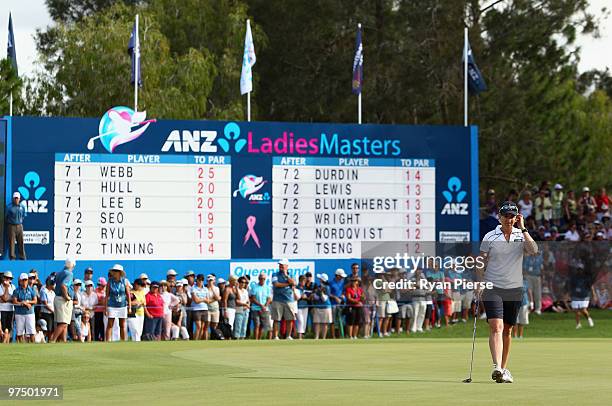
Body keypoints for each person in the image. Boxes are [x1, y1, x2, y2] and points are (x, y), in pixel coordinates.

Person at [480, 201, 538, 383]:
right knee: (496, 326)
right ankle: (496, 366)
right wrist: (479, 282)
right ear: (499, 216)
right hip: (493, 287)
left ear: (517, 217)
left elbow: (534, 250)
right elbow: (481, 261)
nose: (509, 219)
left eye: (512, 216)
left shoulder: (521, 235)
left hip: (514, 288)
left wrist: (524, 229)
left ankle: (503, 369)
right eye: (506, 215)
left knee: (507, 329)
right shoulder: (490, 236)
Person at [271, 259, 297, 340]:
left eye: (282, 265)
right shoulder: (275, 274)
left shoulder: (291, 274)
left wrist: (286, 276)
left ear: (287, 266)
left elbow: (294, 283)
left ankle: (288, 336)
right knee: (276, 319)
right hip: (277, 300)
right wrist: (288, 284)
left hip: (289, 300)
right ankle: (275, 336)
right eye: (280, 265)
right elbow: (276, 284)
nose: (281, 266)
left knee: (289, 319)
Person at [51, 259, 76, 343]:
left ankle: (63, 341)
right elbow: (63, 286)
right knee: (64, 323)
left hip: (57, 298)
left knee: (62, 322)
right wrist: (67, 297)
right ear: (72, 265)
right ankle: (53, 340)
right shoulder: (69, 274)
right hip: (63, 300)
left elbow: (52, 284)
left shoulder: (59, 273)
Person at [105, 264, 131, 341]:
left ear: (120, 272)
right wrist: (105, 308)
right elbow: (106, 296)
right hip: (112, 305)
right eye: (114, 271)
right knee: (110, 324)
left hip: (122, 306)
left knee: (122, 325)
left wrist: (129, 307)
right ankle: (108, 341)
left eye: (116, 271)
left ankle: (123, 341)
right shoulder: (109, 281)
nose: (114, 272)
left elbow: (128, 295)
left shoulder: (125, 281)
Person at [12, 273, 37, 343]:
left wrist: (28, 302)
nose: (24, 282)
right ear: (20, 281)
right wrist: (23, 303)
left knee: (32, 331)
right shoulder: (16, 291)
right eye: (23, 280)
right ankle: (21, 346)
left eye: (25, 280)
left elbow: (35, 301)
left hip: (30, 313)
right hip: (19, 314)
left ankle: (33, 347)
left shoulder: (31, 290)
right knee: (19, 332)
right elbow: (14, 301)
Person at [249, 273, 272, 340]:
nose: (262, 280)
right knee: (257, 325)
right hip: (255, 308)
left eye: (264, 279)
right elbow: (253, 298)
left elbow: (269, 298)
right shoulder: (254, 287)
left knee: (263, 326)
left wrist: (265, 306)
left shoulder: (267, 287)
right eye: (261, 278)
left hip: (264, 309)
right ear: (259, 279)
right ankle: (256, 340)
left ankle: (259, 340)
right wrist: (261, 305)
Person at [5, 191, 27, 260]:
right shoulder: (9, 207)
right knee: (12, 243)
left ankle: (22, 257)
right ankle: (12, 258)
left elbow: (24, 215)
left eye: (17, 198)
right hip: (11, 226)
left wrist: (19, 221)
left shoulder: (22, 207)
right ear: (13, 199)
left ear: (19, 199)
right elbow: (6, 217)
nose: (16, 199)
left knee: (21, 242)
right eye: (15, 198)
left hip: (20, 226)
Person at [311, 274, 332, 339]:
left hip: (326, 307)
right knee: (317, 323)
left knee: (324, 323)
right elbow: (316, 298)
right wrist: (314, 295)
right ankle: (316, 337)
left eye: (320, 278)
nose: (319, 279)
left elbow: (324, 299)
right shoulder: (318, 287)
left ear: (322, 280)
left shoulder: (327, 287)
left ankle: (323, 338)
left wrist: (321, 293)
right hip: (318, 307)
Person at [523, 249, 544, 315]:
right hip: (529, 276)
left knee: (537, 293)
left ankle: (538, 309)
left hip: (537, 276)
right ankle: (529, 308)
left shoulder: (539, 258)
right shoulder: (527, 258)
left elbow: (542, 268)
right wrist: (525, 275)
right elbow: (524, 268)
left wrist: (542, 277)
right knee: (529, 292)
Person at [190, 274, 210, 340]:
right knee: (198, 326)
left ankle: (199, 341)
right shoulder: (193, 288)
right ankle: (195, 341)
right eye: (199, 280)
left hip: (205, 309)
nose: (201, 281)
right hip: (196, 309)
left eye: (202, 280)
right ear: (197, 280)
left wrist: (201, 299)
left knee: (202, 327)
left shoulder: (206, 289)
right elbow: (196, 300)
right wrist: (203, 299)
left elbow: (208, 301)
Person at [329, 268, 346, 339]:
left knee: (341, 321)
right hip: (333, 304)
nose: (342, 277)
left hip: (341, 304)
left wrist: (343, 295)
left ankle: (340, 336)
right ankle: (333, 336)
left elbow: (344, 291)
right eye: (341, 276)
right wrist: (335, 297)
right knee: (333, 321)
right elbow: (328, 293)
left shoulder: (343, 282)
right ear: (337, 276)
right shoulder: (331, 283)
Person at [0, 271, 16, 343]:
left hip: (11, 310)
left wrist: (7, 299)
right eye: (6, 278)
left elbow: (14, 299)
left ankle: (7, 343)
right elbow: (5, 298)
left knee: (9, 328)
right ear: (3, 278)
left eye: (9, 278)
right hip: (2, 310)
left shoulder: (13, 287)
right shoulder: (0, 287)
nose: (8, 280)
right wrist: (6, 288)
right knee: (3, 329)